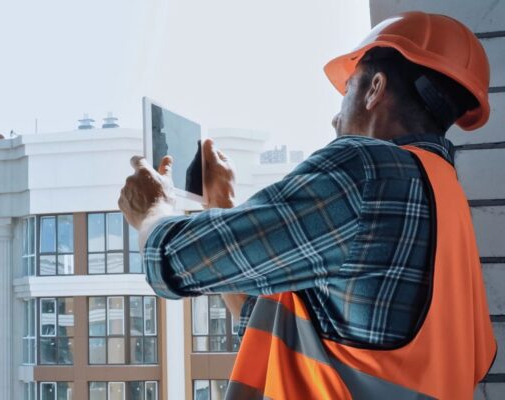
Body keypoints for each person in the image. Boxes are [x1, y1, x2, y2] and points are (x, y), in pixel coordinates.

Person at [119, 11, 496, 399]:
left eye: (348, 90)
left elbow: (174, 260)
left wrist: (152, 211)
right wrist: (222, 203)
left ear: (375, 88)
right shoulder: (447, 199)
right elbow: (268, 321)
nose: (335, 118)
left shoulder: (367, 169)